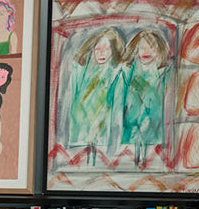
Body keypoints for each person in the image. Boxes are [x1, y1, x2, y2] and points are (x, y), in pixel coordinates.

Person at [65, 27, 125, 164]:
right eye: (98, 49)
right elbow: (71, 102)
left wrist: (112, 148)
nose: (102, 53)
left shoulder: (116, 75)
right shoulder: (79, 71)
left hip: (102, 140)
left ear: (113, 51)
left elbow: (117, 112)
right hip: (78, 138)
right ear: (92, 50)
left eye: (107, 49)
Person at [120, 28, 170, 168]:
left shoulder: (162, 73)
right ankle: (137, 159)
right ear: (136, 50)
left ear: (159, 50)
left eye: (152, 48)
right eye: (142, 47)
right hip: (132, 123)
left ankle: (144, 160)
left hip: (154, 126)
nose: (146, 52)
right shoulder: (128, 72)